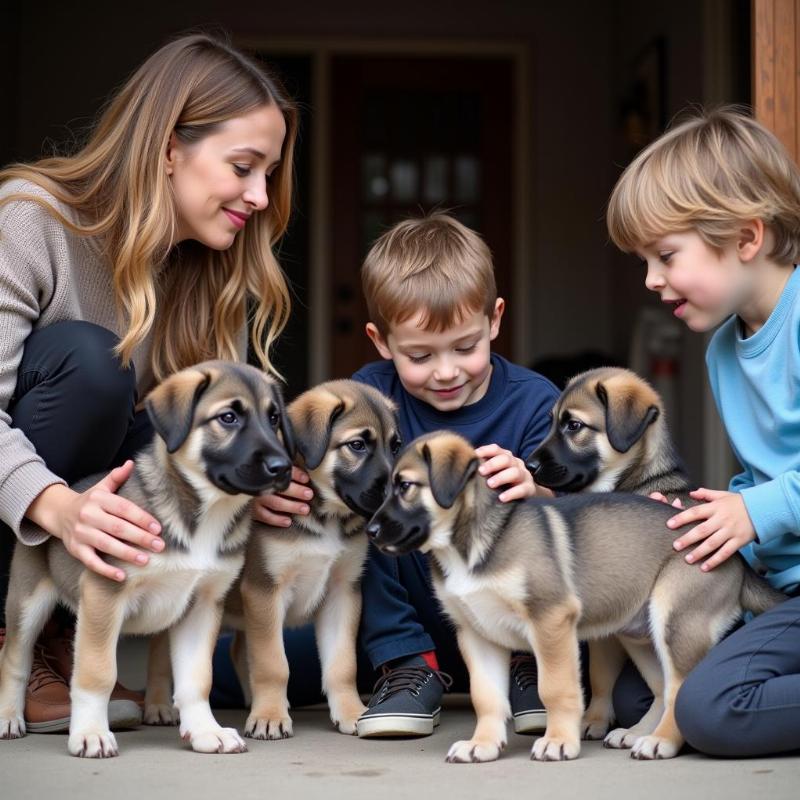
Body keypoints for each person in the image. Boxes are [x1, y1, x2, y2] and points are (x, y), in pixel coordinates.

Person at [0, 31, 298, 734]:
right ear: (170, 147)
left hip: (103, 552)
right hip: (29, 521)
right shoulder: (31, 220)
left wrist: (262, 478)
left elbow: (183, 444)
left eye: (270, 175)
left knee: (178, 425)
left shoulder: (200, 272)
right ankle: (15, 638)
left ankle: (66, 639)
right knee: (95, 364)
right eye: (244, 167)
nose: (260, 196)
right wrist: (54, 505)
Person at [255, 213, 559, 737]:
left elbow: (578, 516)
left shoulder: (536, 402)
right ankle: (407, 666)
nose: (445, 371)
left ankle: (527, 669)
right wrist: (276, 490)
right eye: (419, 355)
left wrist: (537, 488)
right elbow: (317, 469)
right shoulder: (370, 398)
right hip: (395, 628)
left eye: (465, 347)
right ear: (380, 340)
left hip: (507, 623)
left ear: (495, 320)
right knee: (364, 513)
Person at [606, 105, 800, 756]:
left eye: (664, 256)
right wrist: (705, 519)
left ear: (746, 237)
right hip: (777, 582)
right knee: (641, 689)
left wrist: (754, 510)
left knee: (709, 709)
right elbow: (763, 475)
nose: (652, 280)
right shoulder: (723, 349)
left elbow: (768, 497)